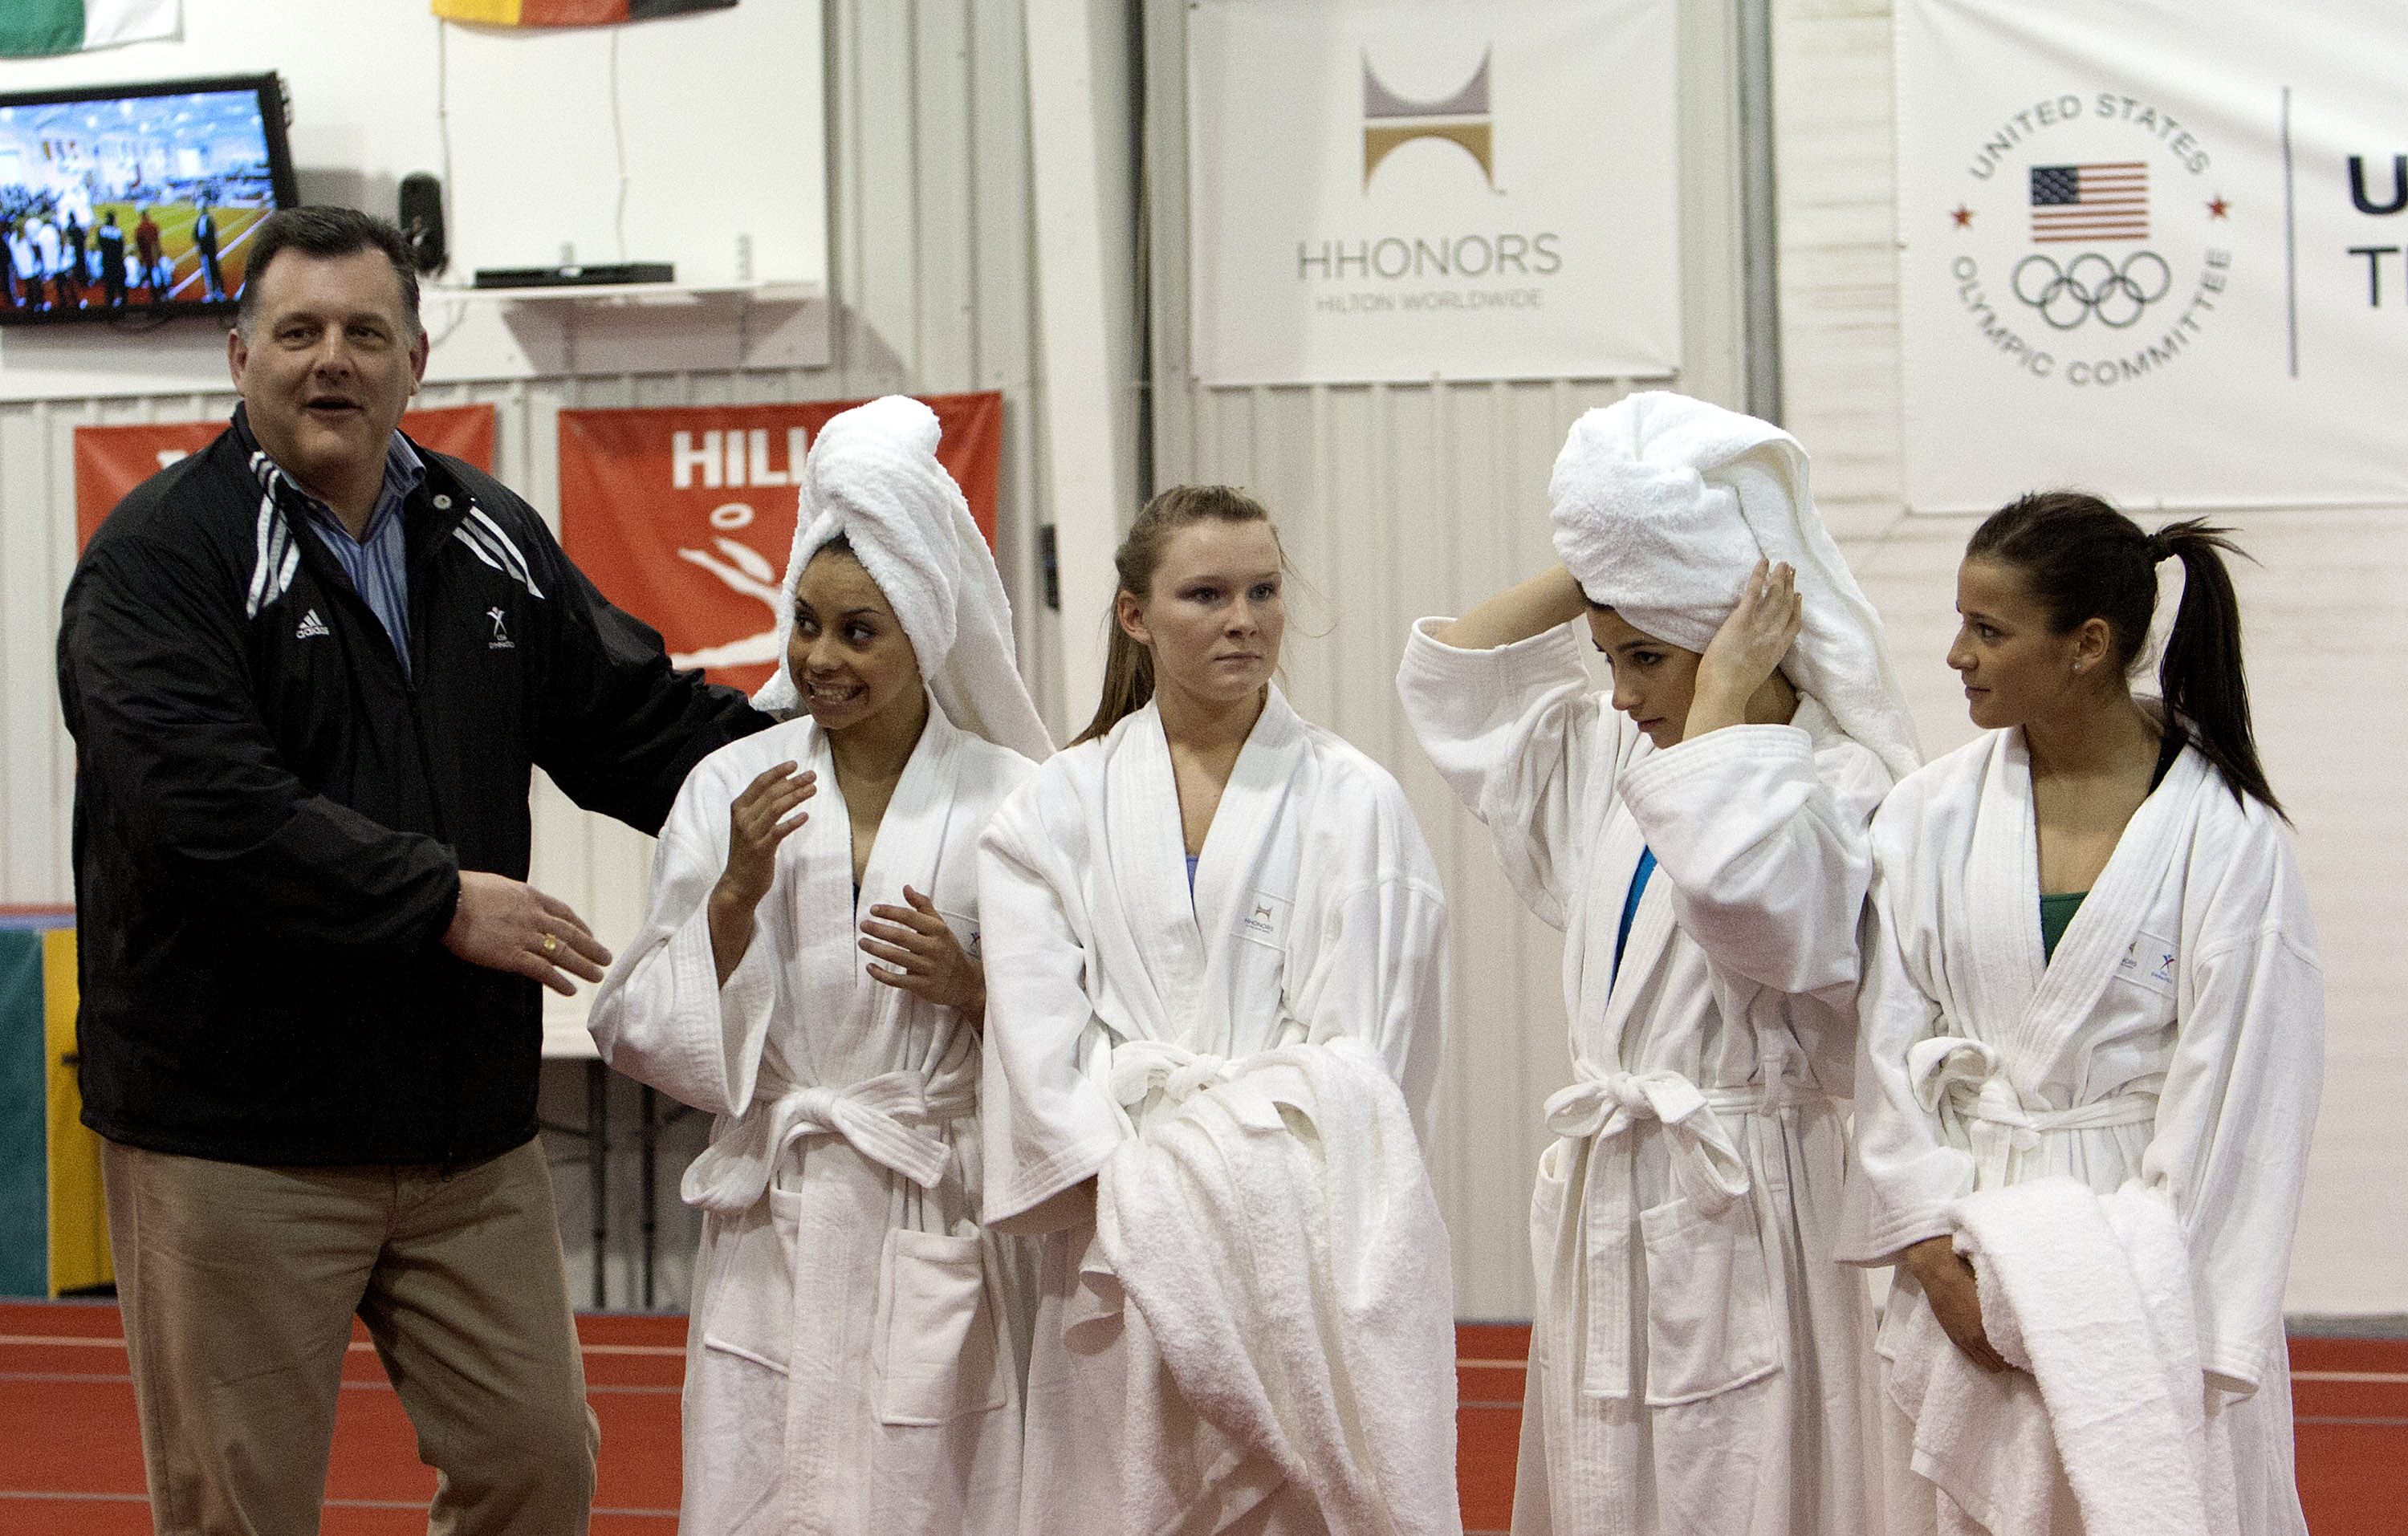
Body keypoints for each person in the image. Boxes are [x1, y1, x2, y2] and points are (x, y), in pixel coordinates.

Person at [55, 205, 771, 1536]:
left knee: (539, 1462)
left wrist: (847, 764)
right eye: (300, 331)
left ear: (416, 358)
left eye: (364, 332)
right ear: (238, 354)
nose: (332, 359)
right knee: (241, 1510)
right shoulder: (159, 558)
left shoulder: (484, 531)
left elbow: (636, 727)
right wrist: (437, 896)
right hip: (236, 1140)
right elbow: (201, 809)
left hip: (459, 1136)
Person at [1397, 392, 1922, 1536]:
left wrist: (1728, 698)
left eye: (1646, 658)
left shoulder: (1835, 782)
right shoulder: (1617, 754)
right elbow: (1452, 679)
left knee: (1738, 1487)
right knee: (1611, 1491)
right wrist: (1607, 550)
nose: (1621, 692)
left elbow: (1757, 915)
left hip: (1752, 1202)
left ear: (1747, 639)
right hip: (1619, 1190)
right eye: (1606, 654)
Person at [589, 395, 1054, 1535]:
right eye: (806, 622)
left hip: (936, 1202)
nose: (820, 658)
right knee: (760, 1487)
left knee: (936, 1492)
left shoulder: (1011, 800)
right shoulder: (729, 786)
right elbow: (639, 1022)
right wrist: (735, 894)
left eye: (860, 630)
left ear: (925, 631)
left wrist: (977, 987)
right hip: (778, 1212)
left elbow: (1087, 1026)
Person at [979, 485, 1460, 1536]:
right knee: (1119, 1499)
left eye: (1264, 590)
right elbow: (1035, 1046)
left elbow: (1367, 1061)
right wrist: (1144, 1189)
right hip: (1117, 1231)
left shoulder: (1355, 799)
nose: (1245, 618)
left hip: (1297, 1229)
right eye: (1206, 593)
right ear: (1135, 616)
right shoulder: (1050, 809)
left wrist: (1228, 1171)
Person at [1838, 494, 2322, 1536]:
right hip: (1965, 1244)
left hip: (2146, 1269)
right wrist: (1931, 1253)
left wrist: (2124, 1288)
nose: (1957, 653)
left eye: (1990, 628)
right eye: (1961, 620)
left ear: (2087, 646)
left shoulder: (2228, 837)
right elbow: (1883, 1047)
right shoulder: (1927, 812)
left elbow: (2240, 1100)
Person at [193, 197, 225, 300]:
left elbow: (209, 237)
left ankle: (218, 292)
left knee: (213, 271)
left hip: (209, 251)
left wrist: (202, 246)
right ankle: (212, 293)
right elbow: (195, 235)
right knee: (208, 272)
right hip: (205, 252)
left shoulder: (208, 220)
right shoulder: (200, 221)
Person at [94, 210, 128, 307]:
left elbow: (99, 245)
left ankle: (110, 312)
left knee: (109, 289)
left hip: (107, 263)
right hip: (117, 263)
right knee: (121, 288)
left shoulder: (102, 231)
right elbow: (122, 248)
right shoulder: (118, 232)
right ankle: (123, 310)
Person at [133, 205, 164, 299]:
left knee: (152, 279)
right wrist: (157, 256)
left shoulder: (139, 229)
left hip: (147, 257)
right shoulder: (153, 226)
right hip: (155, 256)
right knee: (159, 277)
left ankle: (155, 297)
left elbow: (138, 246)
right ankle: (162, 293)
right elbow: (156, 243)